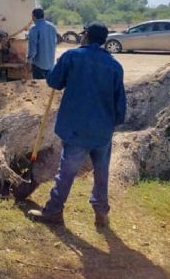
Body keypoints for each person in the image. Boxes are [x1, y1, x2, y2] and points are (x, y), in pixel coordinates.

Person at [28, 22, 126, 227]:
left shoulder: (72, 56)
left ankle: (54, 211)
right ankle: (101, 213)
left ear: (87, 36)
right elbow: (120, 103)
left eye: (84, 35)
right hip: (102, 131)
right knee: (101, 173)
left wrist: (57, 66)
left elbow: (54, 81)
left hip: (76, 128)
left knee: (66, 172)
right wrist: (111, 124)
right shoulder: (115, 66)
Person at [27, 8, 58, 80]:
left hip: (38, 65)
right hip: (50, 63)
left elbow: (33, 49)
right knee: (47, 87)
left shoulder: (34, 28)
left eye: (32, 16)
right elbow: (54, 43)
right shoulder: (52, 27)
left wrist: (28, 61)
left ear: (34, 16)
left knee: (39, 88)